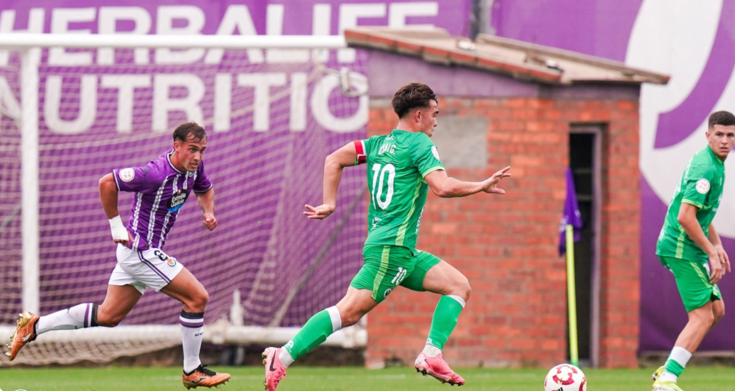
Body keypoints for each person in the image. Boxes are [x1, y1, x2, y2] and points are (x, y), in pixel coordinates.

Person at [261, 83, 511, 390]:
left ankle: (432, 354)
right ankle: (282, 356)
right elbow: (442, 187)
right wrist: (481, 184)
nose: (436, 121)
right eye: (434, 114)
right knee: (348, 311)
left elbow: (333, 159)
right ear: (418, 116)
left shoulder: (377, 144)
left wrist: (330, 202)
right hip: (391, 251)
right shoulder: (420, 144)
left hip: (400, 249)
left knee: (458, 285)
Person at [5, 122, 230, 389]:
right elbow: (107, 183)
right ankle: (192, 370)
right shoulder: (155, 173)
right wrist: (116, 225)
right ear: (176, 146)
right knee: (197, 297)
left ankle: (34, 326)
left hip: (141, 253)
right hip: (140, 251)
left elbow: (204, 189)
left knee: (109, 316)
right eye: (192, 149)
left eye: (202, 150)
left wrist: (208, 211)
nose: (197, 156)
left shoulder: (194, 167)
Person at [651, 111, 735, 391]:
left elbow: (702, 214)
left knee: (717, 309)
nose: (724, 140)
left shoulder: (716, 163)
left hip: (688, 247)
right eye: (719, 134)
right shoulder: (706, 168)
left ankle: (669, 367)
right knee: (702, 316)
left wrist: (718, 244)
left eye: (730, 135)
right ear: (708, 135)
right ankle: (667, 379)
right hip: (680, 247)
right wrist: (711, 252)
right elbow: (686, 217)